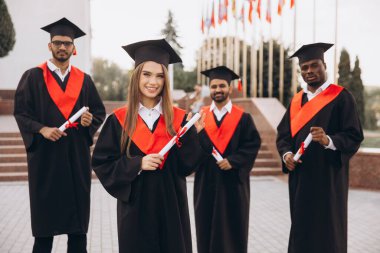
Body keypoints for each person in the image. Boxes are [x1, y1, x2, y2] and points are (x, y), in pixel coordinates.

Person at [91, 39, 205, 253]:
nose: (153, 81)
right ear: (136, 77)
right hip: (135, 212)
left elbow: (186, 167)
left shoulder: (179, 119)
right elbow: (102, 164)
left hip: (172, 209)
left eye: (159, 75)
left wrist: (194, 137)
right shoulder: (118, 121)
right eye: (147, 74)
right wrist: (137, 164)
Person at [13, 17, 106, 252]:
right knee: (44, 231)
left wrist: (89, 121)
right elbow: (21, 113)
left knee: (77, 232)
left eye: (67, 43)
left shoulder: (84, 81)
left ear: (74, 48)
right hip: (46, 162)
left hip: (76, 160)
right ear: (50, 46)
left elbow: (98, 112)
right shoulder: (33, 77)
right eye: (57, 43)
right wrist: (41, 129)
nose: (62, 47)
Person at [276, 43, 364, 253]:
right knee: (301, 231)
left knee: (328, 232)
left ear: (324, 66)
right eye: (304, 67)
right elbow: (283, 136)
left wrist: (328, 140)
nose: (309, 71)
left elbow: (354, 136)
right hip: (300, 179)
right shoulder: (297, 100)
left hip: (328, 180)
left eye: (314, 65)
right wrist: (287, 154)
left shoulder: (342, 97)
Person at [194, 66, 261, 253]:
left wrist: (234, 160)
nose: (218, 90)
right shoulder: (200, 117)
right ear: (210, 89)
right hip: (205, 183)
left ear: (229, 88)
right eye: (214, 86)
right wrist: (198, 134)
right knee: (206, 229)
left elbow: (252, 145)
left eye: (222, 86)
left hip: (233, 184)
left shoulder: (243, 118)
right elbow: (193, 149)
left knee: (233, 231)